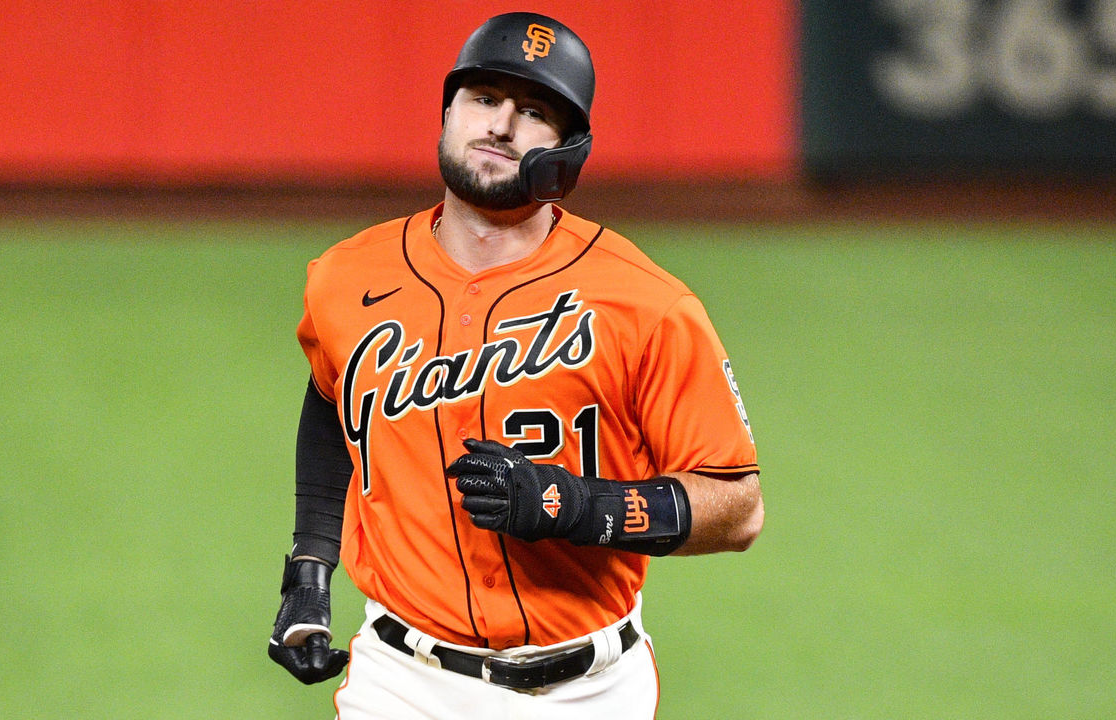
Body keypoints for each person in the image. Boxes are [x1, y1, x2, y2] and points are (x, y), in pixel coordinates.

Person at [267, 12, 764, 719]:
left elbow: (738, 507)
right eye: (483, 99)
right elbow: (332, 397)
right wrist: (308, 573)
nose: (501, 125)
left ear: (569, 150)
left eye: (534, 112)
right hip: (403, 682)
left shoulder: (645, 302)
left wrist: (574, 505)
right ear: (447, 113)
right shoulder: (346, 278)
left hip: (588, 691)